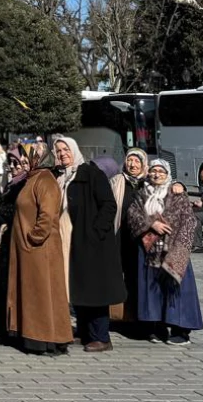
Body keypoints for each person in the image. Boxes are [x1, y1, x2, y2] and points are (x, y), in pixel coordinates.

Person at [52, 135, 125, 353]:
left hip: (91, 241)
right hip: (69, 239)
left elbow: (108, 205)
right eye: (58, 151)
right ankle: (85, 331)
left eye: (66, 149)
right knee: (77, 285)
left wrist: (95, 232)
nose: (62, 154)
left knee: (94, 288)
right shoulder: (60, 177)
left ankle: (101, 337)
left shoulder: (91, 174)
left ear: (74, 150)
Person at [126, 159, 203, 344]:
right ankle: (156, 327)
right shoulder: (142, 194)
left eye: (161, 171)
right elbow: (132, 215)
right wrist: (151, 224)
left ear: (168, 174)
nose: (157, 174)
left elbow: (189, 221)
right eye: (154, 171)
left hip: (174, 249)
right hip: (149, 251)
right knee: (152, 291)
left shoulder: (177, 194)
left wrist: (179, 246)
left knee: (177, 290)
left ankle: (181, 330)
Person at [7, 144, 73, 355]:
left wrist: (33, 237)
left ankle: (45, 338)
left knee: (43, 294)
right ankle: (37, 336)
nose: (24, 162)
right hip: (32, 251)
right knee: (36, 295)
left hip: (40, 250)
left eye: (29, 158)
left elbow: (47, 215)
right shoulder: (34, 178)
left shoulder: (45, 180)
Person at [0, 145, 34, 342]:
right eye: (10, 163)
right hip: (5, 242)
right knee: (3, 284)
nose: (13, 167)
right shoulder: (13, 184)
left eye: (17, 163)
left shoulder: (25, 184)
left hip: (17, 241)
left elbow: (14, 211)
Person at [115, 148, 150, 326]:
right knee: (125, 277)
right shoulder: (117, 181)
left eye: (137, 161)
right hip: (122, 237)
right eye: (130, 160)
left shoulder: (149, 183)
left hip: (143, 240)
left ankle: (142, 317)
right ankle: (125, 316)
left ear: (144, 164)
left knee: (141, 278)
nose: (132, 164)